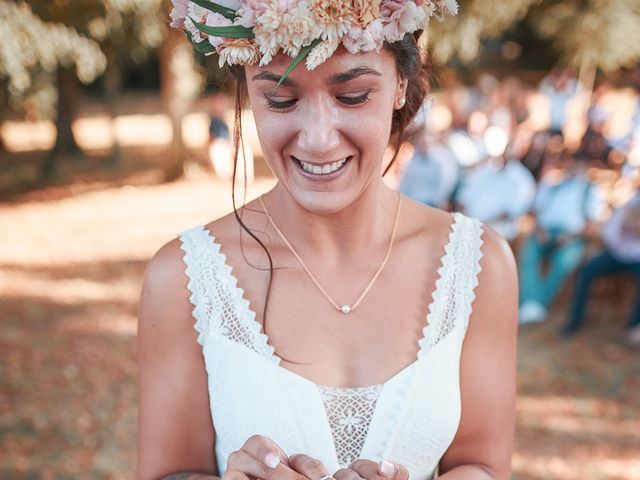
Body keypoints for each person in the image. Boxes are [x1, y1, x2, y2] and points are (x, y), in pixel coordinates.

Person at [139, 2, 518, 480]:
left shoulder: (479, 264)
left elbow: (482, 465)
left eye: (354, 95)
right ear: (246, 93)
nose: (318, 139)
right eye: (280, 99)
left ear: (401, 83)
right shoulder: (182, 277)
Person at [518, 151, 603, 324]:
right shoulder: (552, 184)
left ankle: (536, 304)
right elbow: (535, 213)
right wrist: (540, 231)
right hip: (544, 232)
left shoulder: (591, 191)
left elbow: (592, 227)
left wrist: (570, 237)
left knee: (563, 261)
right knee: (529, 255)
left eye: (580, 164)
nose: (575, 167)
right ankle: (531, 304)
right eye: (573, 162)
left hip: (572, 238)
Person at [561, 188, 640, 344]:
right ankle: (575, 321)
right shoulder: (628, 204)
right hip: (615, 253)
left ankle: (634, 328)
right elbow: (609, 232)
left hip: (637, 258)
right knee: (586, 270)